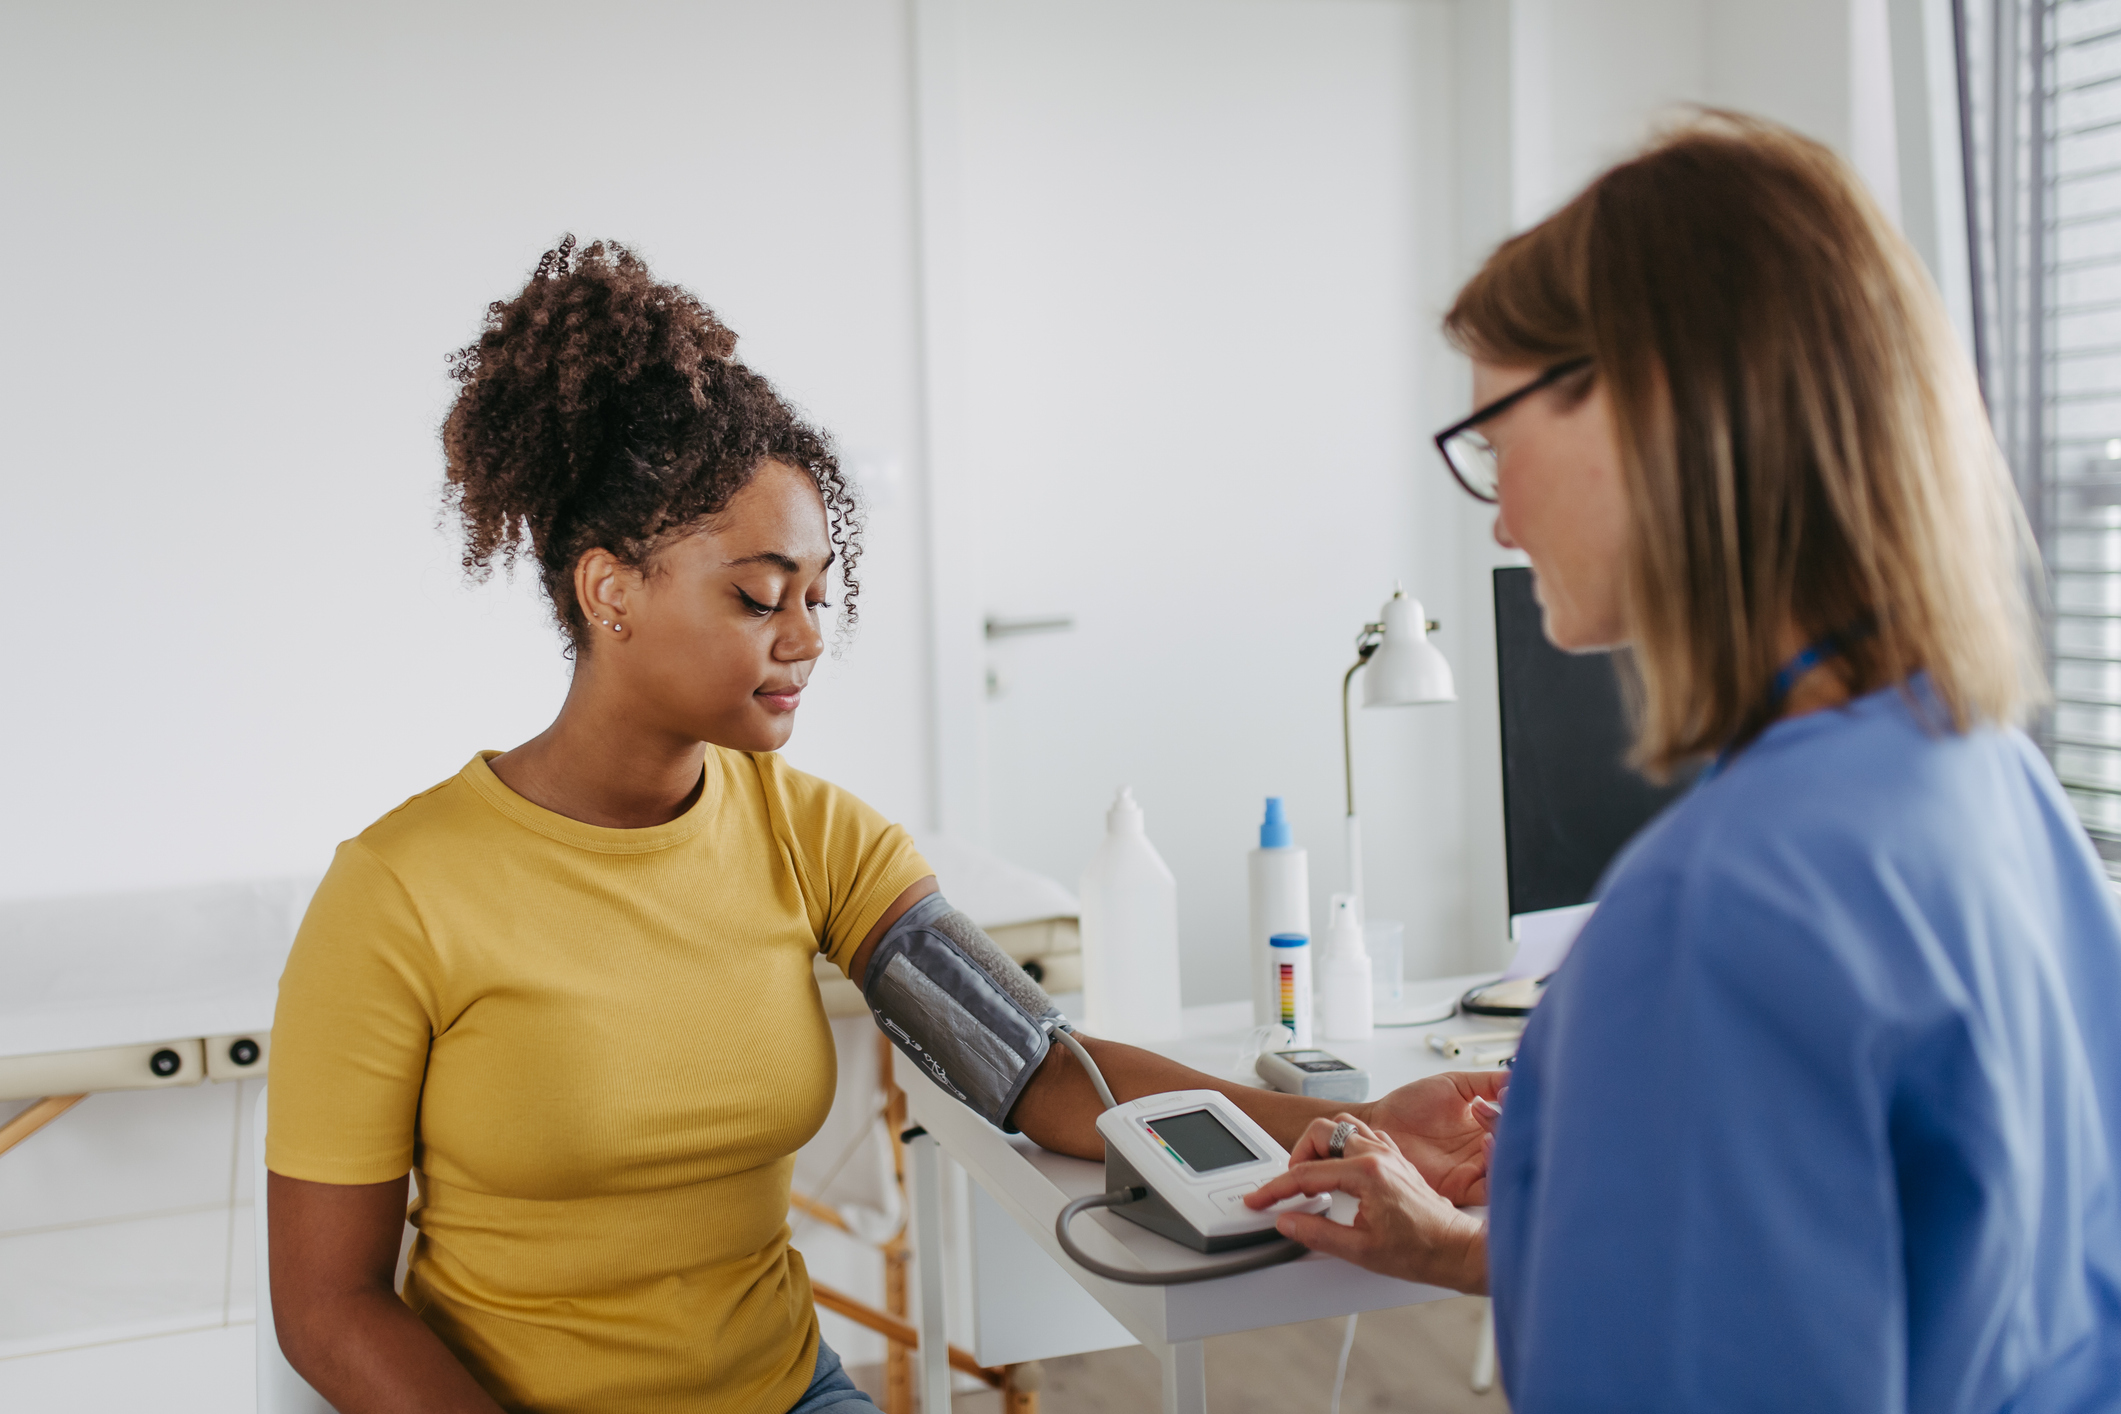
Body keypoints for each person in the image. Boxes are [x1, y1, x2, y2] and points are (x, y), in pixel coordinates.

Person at [263, 236, 1506, 1414]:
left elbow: (1034, 1069)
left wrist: (1358, 1127)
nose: (806, 638)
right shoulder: (399, 892)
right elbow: (327, 1306)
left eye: (815, 594)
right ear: (609, 589)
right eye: (758, 597)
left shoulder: (815, 837)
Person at [1247, 115, 2121, 1410]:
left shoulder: (1716, 912)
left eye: (1494, 434)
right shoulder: (1984, 776)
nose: (1497, 512)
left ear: (1651, 402)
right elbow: (1900, 1282)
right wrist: (1472, 1244)